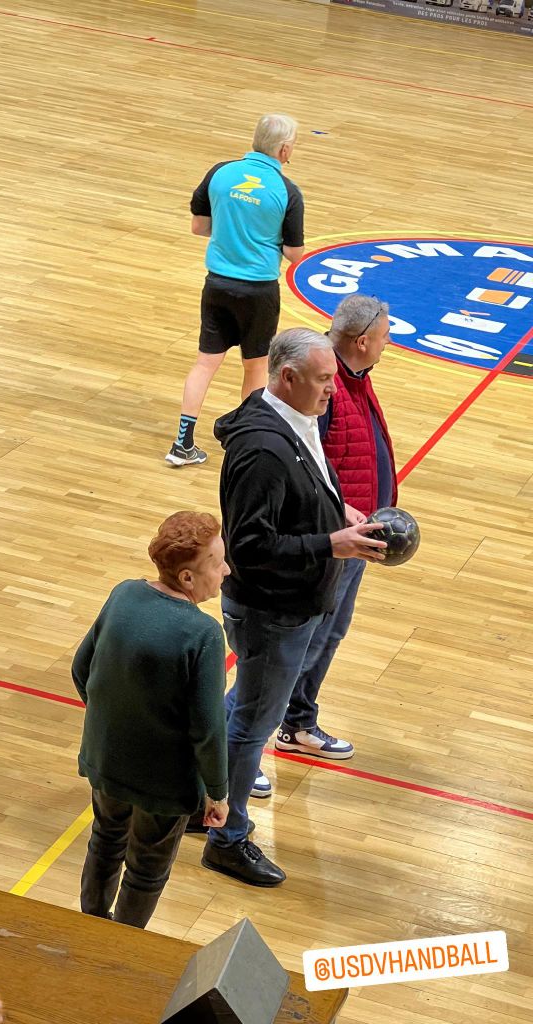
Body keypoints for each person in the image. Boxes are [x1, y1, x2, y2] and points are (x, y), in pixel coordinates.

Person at [200, 328, 386, 886]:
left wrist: (339, 512)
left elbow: (307, 487)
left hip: (290, 604)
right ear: (287, 377)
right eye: (325, 380)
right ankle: (227, 839)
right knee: (252, 727)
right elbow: (251, 547)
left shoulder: (291, 418)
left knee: (249, 711)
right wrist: (332, 543)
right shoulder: (261, 449)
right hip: (271, 610)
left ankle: (201, 804)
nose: (334, 390)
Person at [261, 295, 398, 791]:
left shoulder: (355, 377)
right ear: (362, 341)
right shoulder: (326, 386)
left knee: (327, 637)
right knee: (291, 647)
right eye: (385, 336)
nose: (389, 343)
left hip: (354, 541)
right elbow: (303, 464)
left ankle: (297, 723)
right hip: (329, 543)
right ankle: (247, 743)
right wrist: (336, 518)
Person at [72, 511, 230, 928]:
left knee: (104, 841)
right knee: (146, 869)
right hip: (164, 783)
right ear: (187, 579)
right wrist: (217, 792)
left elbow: (81, 669)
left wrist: (117, 723)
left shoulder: (123, 593)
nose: (226, 570)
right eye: (217, 563)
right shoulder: (204, 634)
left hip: (106, 760)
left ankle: (90, 926)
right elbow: (208, 728)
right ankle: (124, 944)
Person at [165, 113, 305, 467]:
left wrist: (232, 230)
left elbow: (199, 226)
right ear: (285, 149)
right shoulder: (287, 191)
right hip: (258, 291)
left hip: (217, 285)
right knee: (255, 367)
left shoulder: (219, 173)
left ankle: (182, 444)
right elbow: (293, 253)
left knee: (204, 363)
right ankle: (246, 443)